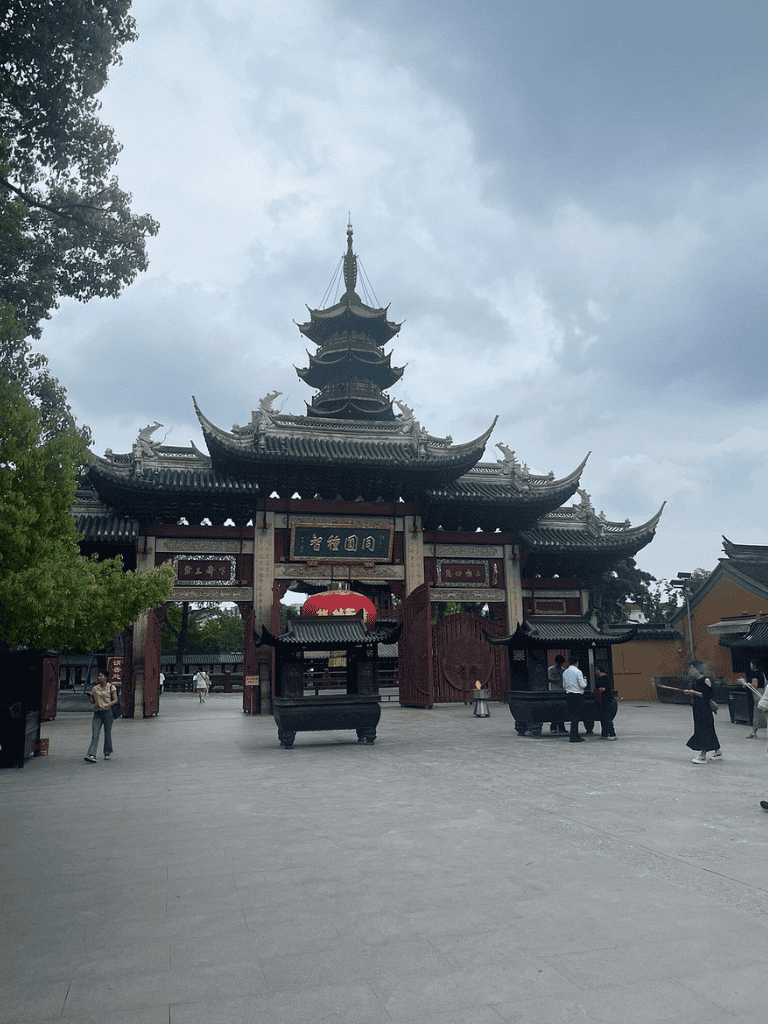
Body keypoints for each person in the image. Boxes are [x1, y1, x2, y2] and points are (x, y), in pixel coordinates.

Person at [684, 662, 722, 764]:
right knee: (707, 729)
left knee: (703, 730)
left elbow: (708, 695)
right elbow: (695, 695)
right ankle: (718, 751)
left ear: (698, 669)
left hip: (705, 709)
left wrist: (694, 692)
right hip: (697, 708)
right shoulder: (694, 681)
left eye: (692, 668)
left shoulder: (706, 680)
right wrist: (690, 693)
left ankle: (703, 756)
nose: (690, 670)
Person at [84, 671, 118, 762]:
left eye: (100, 675)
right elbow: (93, 701)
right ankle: (91, 754)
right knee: (95, 734)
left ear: (106, 677)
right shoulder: (95, 688)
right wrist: (90, 698)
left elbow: (115, 700)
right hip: (97, 713)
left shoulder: (111, 687)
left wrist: (107, 705)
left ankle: (107, 753)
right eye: (98, 675)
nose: (98, 677)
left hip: (108, 712)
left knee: (107, 733)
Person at [562, 657, 587, 743]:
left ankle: (574, 734)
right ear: (576, 662)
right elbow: (582, 685)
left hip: (569, 695)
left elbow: (564, 685)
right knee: (577, 716)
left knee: (573, 715)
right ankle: (574, 735)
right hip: (577, 695)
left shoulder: (565, 672)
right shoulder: (578, 672)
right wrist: (585, 681)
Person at [743, 660, 766, 739]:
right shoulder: (762, 674)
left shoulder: (754, 674)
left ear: (754, 665)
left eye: (751, 664)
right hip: (763, 694)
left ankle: (753, 732)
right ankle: (753, 731)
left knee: (758, 714)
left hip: (757, 696)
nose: (750, 666)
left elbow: (754, 686)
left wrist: (745, 683)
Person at [595, 666, 618, 739]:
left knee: (607, 718)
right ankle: (604, 733)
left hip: (606, 701)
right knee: (603, 718)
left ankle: (612, 734)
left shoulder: (604, 679)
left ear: (599, 671)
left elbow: (602, 689)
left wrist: (595, 691)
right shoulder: (601, 678)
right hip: (603, 701)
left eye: (595, 671)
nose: (595, 673)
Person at [547, 655, 567, 733]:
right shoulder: (550, 670)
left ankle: (561, 727)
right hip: (553, 690)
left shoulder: (563, 670)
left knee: (562, 710)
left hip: (562, 691)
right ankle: (553, 727)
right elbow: (548, 679)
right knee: (554, 709)